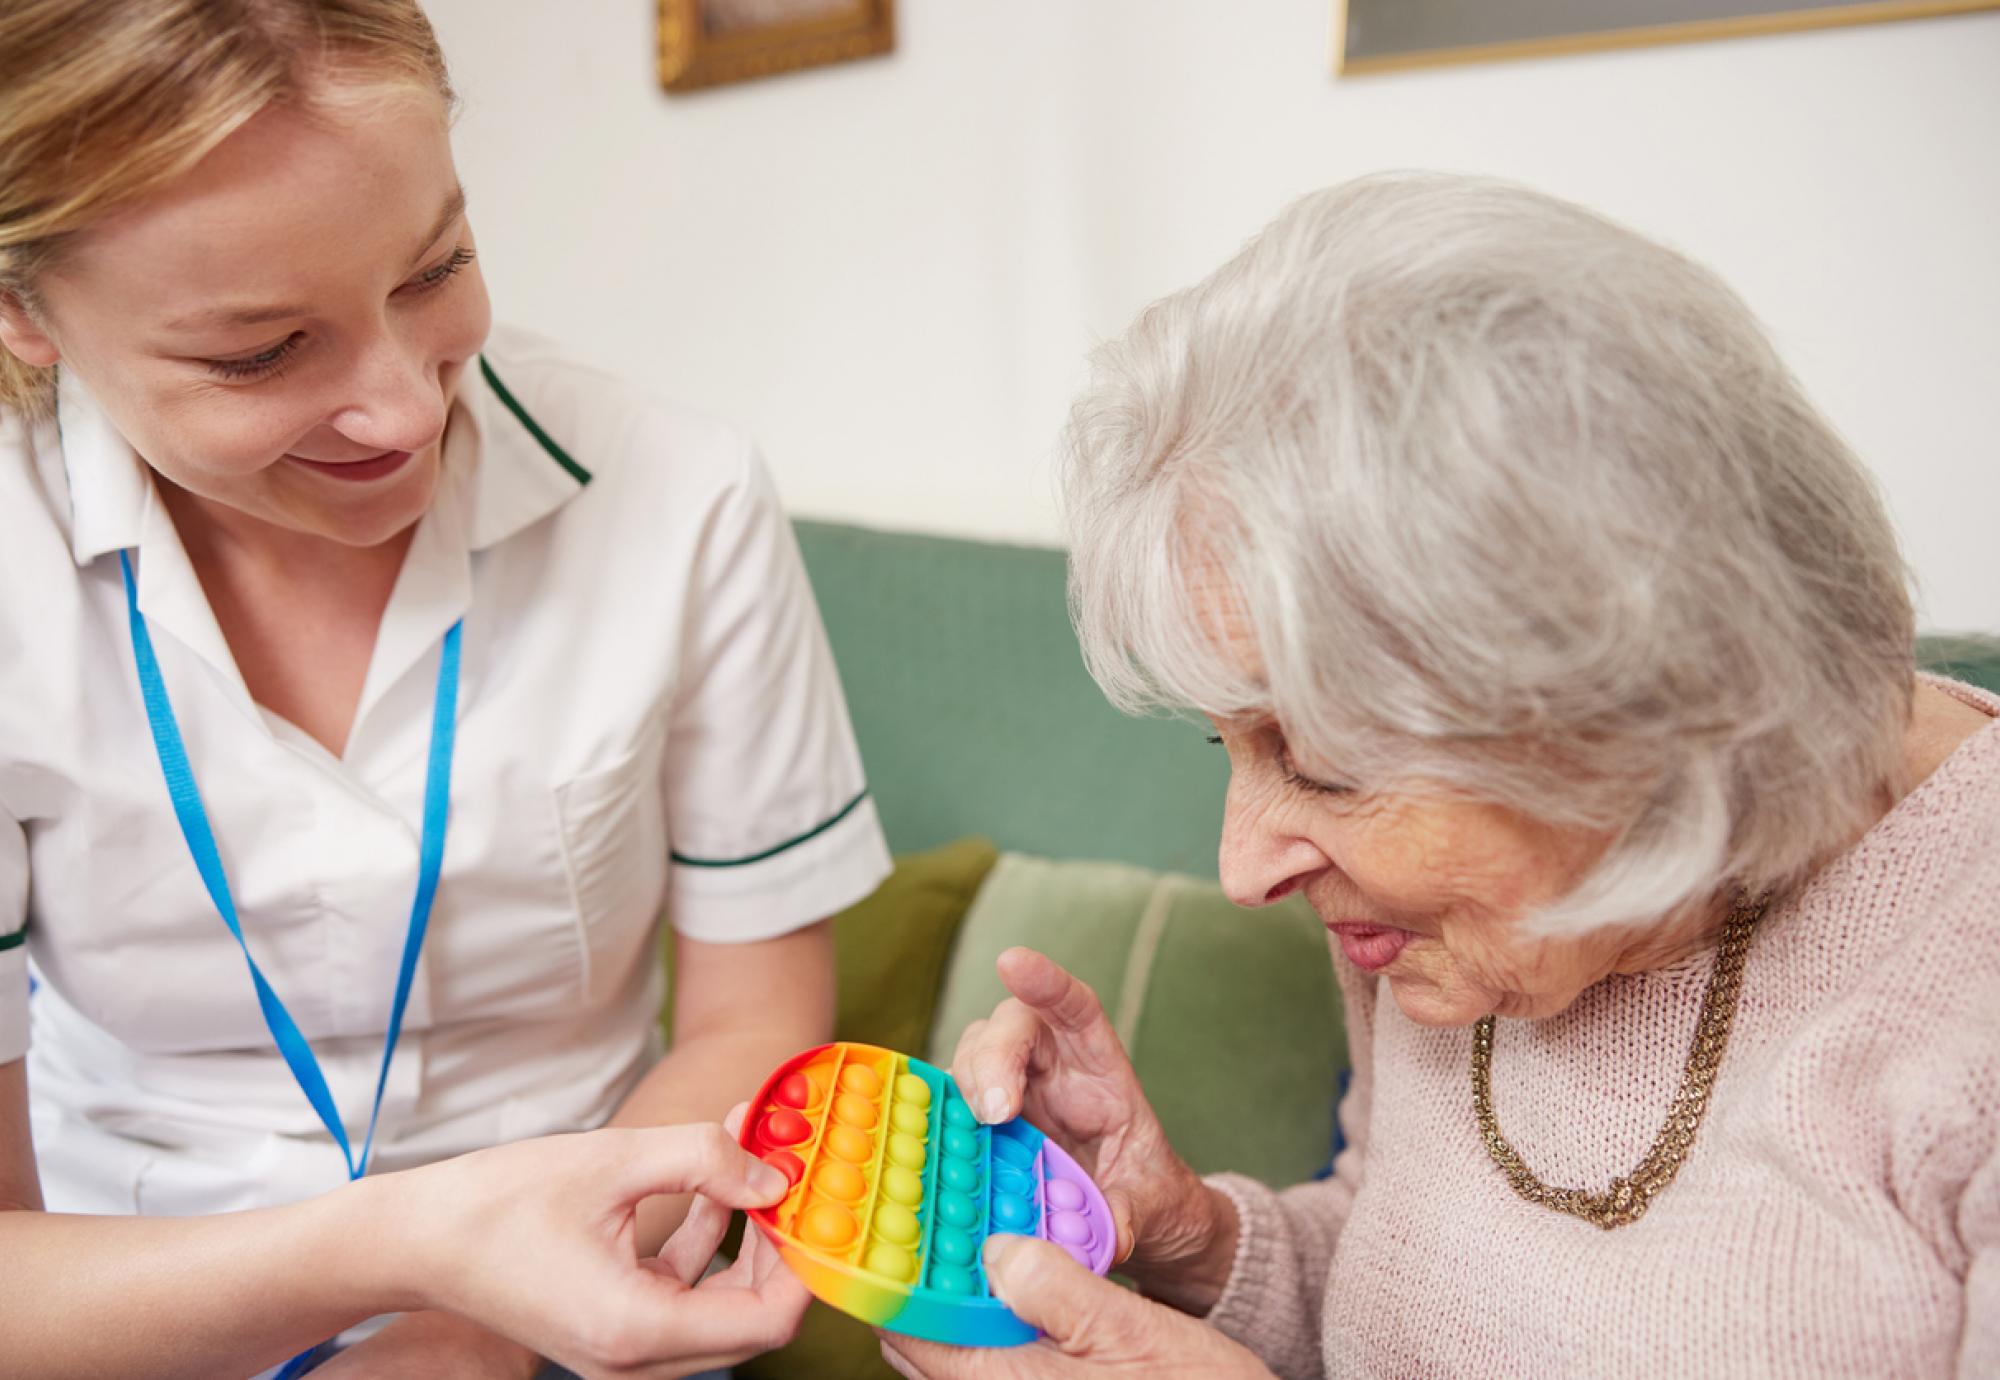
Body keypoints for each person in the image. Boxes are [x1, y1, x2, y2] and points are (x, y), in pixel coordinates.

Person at [880, 174, 1998, 1379]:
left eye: (1322, 764)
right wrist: (1188, 1237)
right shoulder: (1431, 928)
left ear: (1645, 703)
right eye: (1230, 745)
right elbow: (1402, 1278)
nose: (1240, 868)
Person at [0, 2, 890, 1375]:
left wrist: (473, 1334)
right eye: (259, 352)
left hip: (598, 1301)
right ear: (22, 310)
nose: (411, 410)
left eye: (435, 269)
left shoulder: (680, 493)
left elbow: (753, 1019)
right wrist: (410, 1257)